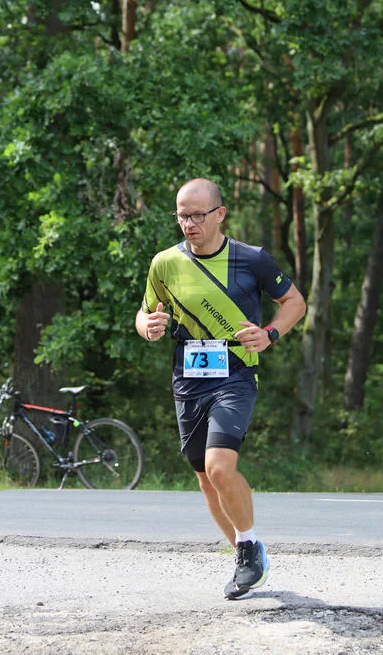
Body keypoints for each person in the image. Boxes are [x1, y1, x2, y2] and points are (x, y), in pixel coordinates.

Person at [136, 178, 305, 600]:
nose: (188, 224)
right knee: (204, 477)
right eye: (181, 215)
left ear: (220, 214)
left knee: (219, 466)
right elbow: (143, 314)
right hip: (188, 376)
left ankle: (247, 548)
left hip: (236, 372)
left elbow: (295, 303)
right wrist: (149, 328)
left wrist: (270, 334)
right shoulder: (164, 263)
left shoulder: (252, 259)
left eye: (197, 215)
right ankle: (247, 556)